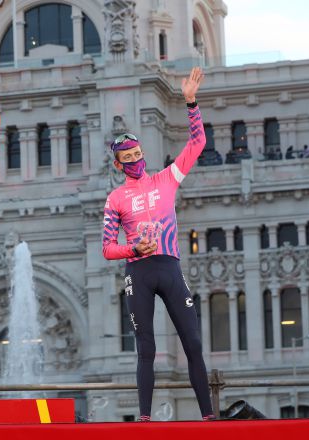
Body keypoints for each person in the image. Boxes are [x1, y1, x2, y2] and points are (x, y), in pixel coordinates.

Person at [102, 67, 215, 421]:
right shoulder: (115, 198)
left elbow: (197, 144)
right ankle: (146, 418)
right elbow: (107, 249)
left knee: (193, 343)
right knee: (146, 348)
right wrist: (133, 250)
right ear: (118, 163)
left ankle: (209, 415)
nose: (135, 160)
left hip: (169, 266)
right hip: (139, 271)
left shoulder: (167, 179)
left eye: (137, 154)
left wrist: (191, 102)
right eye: (128, 158)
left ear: (142, 154)